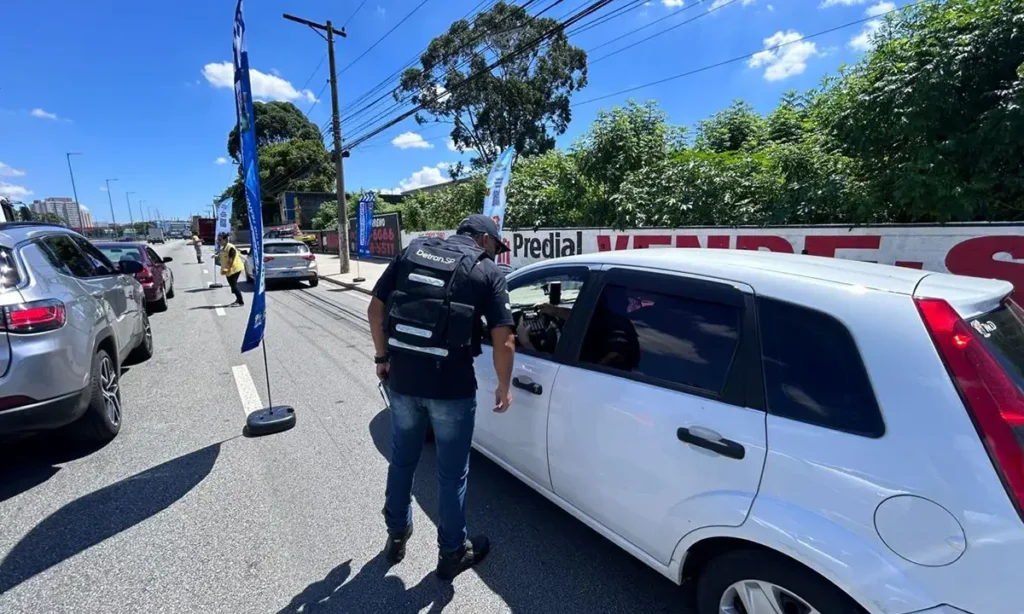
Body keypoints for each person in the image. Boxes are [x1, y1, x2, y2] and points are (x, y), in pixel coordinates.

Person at [367, 214, 516, 581]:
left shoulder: (411, 252)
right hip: (451, 388)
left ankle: (397, 534)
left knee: (403, 461)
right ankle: (452, 553)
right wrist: (504, 385)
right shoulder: (487, 273)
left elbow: (375, 309)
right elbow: (506, 340)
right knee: (452, 475)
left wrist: (382, 358)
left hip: (402, 380)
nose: (496, 255)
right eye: (496, 247)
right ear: (483, 240)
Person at [217, 232, 244, 306]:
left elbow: (230, 259)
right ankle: (238, 299)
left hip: (235, 268)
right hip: (229, 269)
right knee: (232, 286)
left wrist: (226, 268)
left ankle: (240, 302)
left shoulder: (230, 247)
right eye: (218, 240)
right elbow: (223, 256)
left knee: (234, 286)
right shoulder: (224, 247)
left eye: (220, 240)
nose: (218, 241)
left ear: (225, 240)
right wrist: (217, 256)